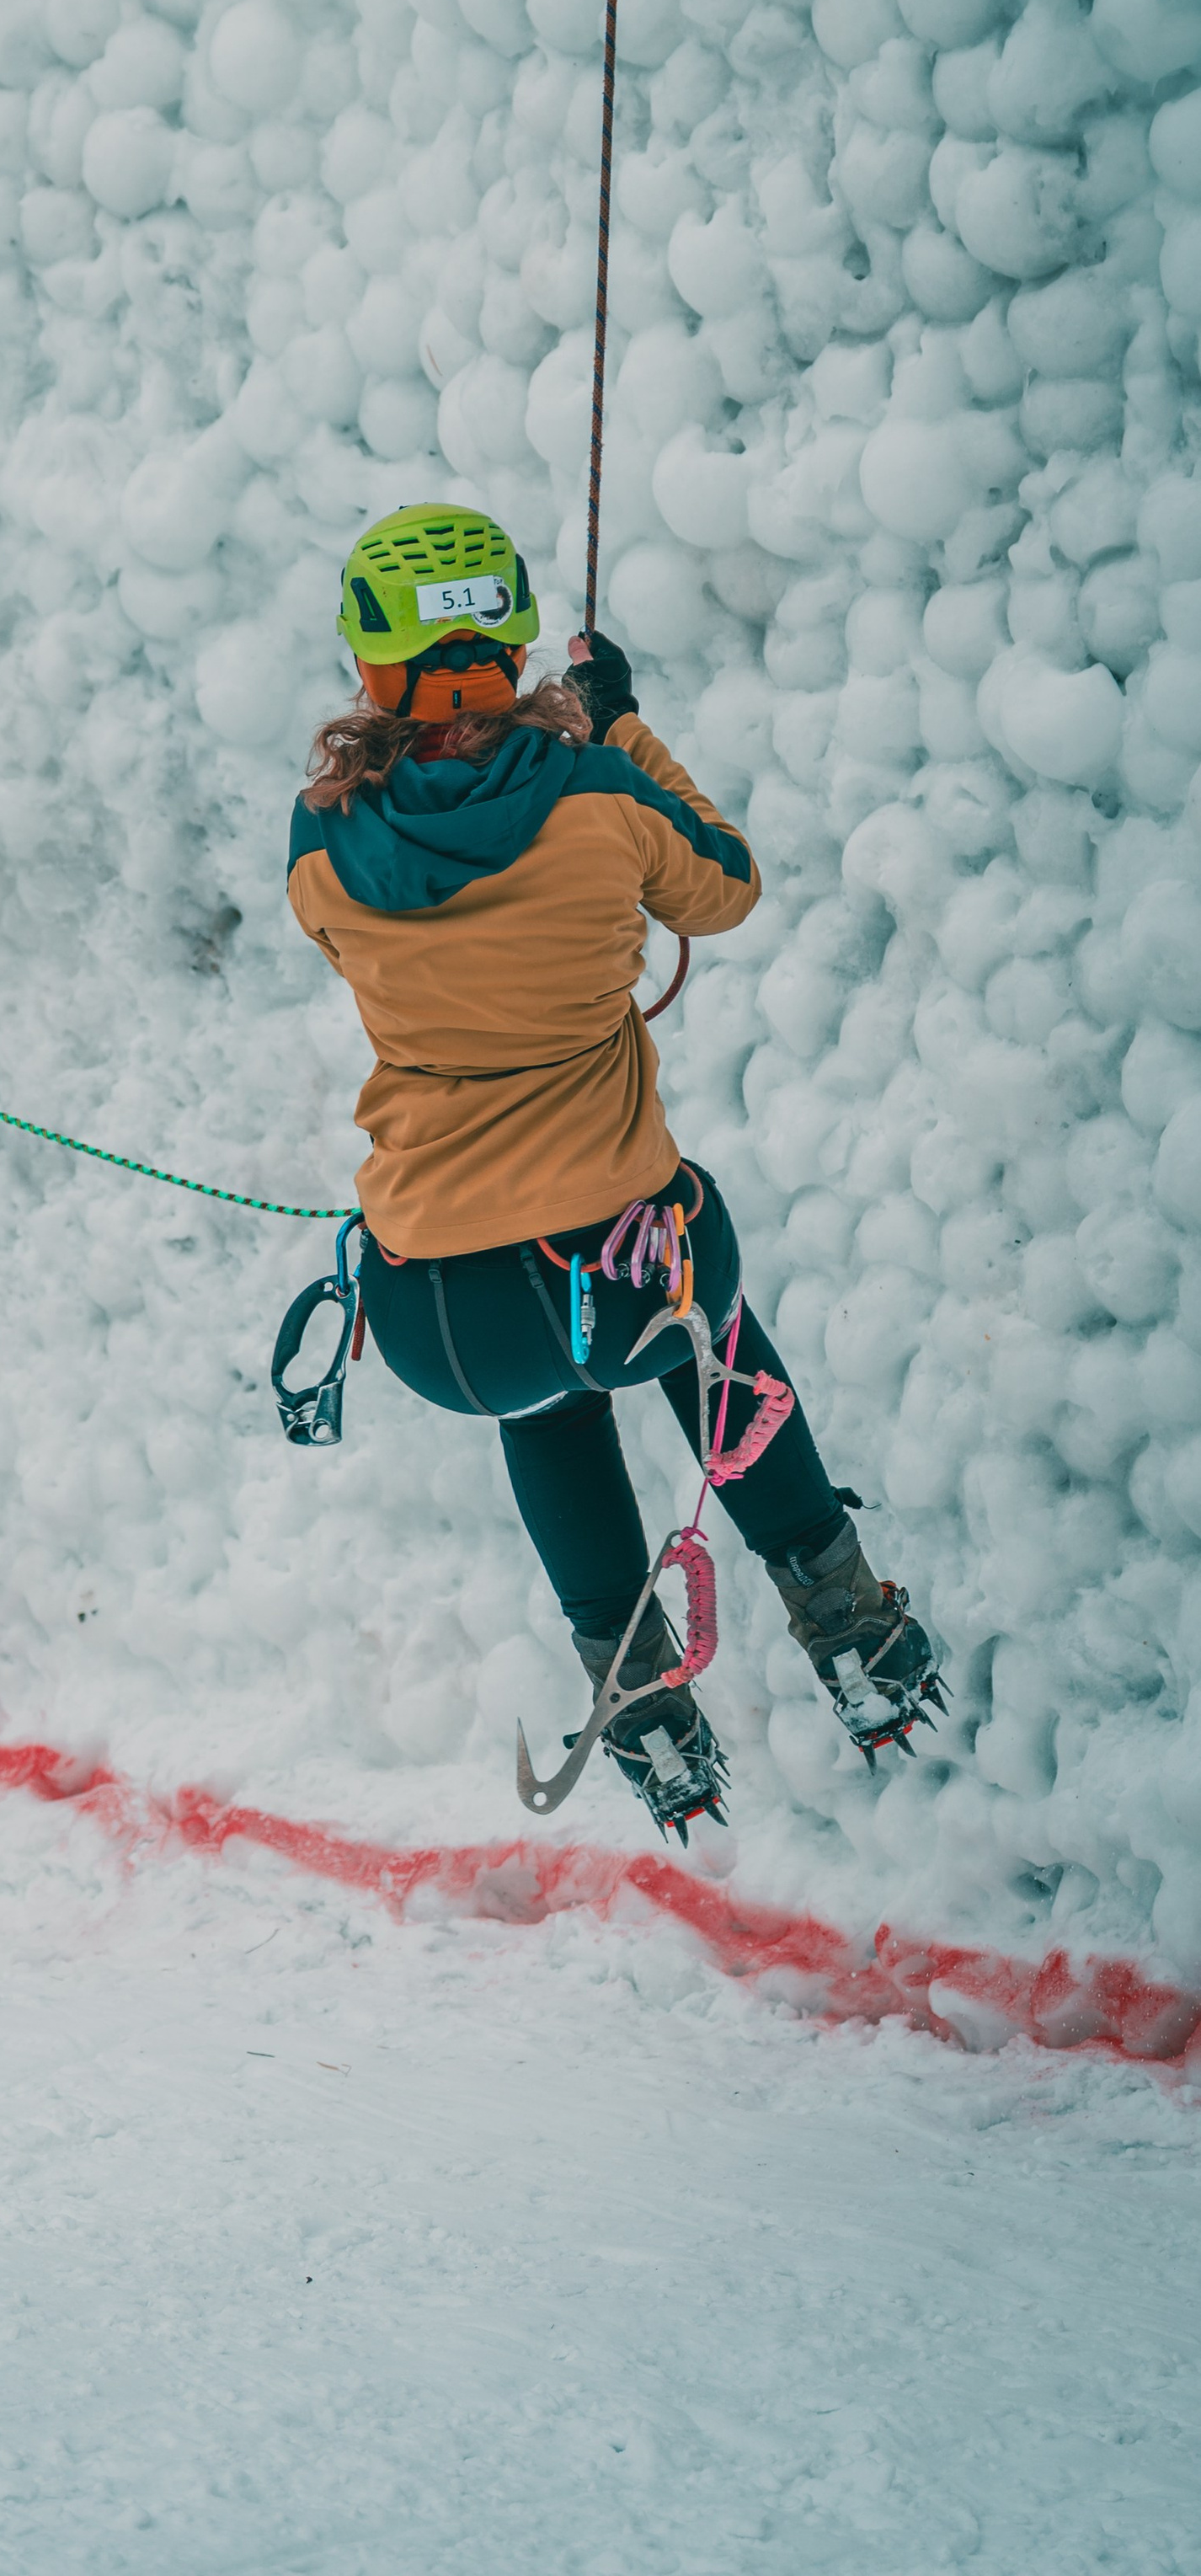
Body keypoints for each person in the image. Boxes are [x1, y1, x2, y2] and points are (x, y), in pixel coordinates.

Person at [286, 505, 944, 1837]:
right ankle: (855, 1635)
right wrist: (610, 726)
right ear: (515, 635)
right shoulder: (596, 799)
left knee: (548, 1416)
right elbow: (725, 887)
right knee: (709, 1338)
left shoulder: (319, 842)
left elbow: (396, 903)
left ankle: (639, 1712)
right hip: (624, 1266)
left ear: (368, 667)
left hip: (445, 1317)